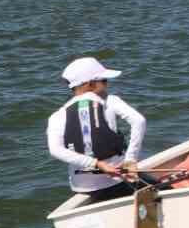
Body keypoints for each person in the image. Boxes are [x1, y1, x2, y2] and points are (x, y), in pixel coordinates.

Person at [46, 57, 146, 201]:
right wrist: (130, 160)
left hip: (83, 188)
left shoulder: (57, 115)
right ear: (91, 84)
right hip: (117, 182)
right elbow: (139, 121)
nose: (107, 85)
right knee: (164, 189)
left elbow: (55, 150)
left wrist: (96, 164)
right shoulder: (110, 101)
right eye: (104, 81)